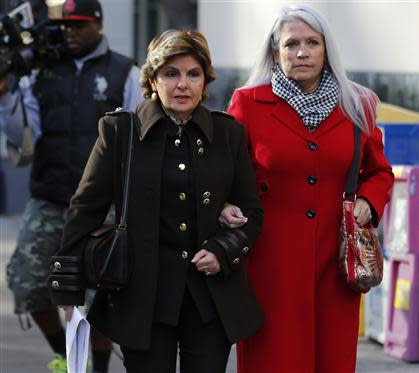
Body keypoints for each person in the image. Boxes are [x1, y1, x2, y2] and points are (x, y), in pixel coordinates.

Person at [48, 28, 265, 373]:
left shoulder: (229, 133)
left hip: (210, 299)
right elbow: (85, 208)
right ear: (152, 78)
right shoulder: (120, 131)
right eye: (171, 73)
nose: (183, 84)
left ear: (205, 80)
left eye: (193, 74)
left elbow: (251, 212)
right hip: (141, 298)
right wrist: (67, 288)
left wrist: (223, 250)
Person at [222, 5, 394, 373]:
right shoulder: (248, 103)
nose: (301, 52)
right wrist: (224, 205)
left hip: (336, 262)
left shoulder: (357, 104)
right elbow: (224, 171)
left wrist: (368, 199)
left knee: (333, 360)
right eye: (291, 44)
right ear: (275, 52)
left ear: (326, 49)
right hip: (270, 264)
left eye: (312, 43)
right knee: (275, 360)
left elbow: (379, 171)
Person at [0, 0, 142, 371]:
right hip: (50, 197)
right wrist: (6, 92)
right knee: (26, 283)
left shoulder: (125, 72)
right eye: (66, 27)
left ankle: (94, 365)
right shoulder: (43, 71)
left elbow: (140, 140)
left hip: (102, 206)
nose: (71, 33)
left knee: (100, 295)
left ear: (98, 25)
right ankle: (65, 356)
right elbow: (23, 140)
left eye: (79, 26)